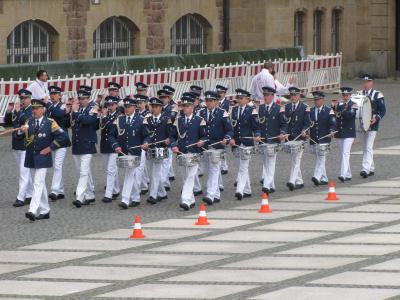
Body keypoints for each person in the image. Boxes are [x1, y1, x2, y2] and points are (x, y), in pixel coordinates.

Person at [21, 99, 68, 221]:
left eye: (37, 108)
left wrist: (50, 148)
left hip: (43, 157)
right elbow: (23, 139)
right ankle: (45, 210)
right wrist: (21, 132)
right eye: (33, 109)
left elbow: (63, 136)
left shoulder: (50, 122)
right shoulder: (28, 122)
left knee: (37, 183)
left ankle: (32, 210)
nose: (34, 111)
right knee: (39, 184)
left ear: (43, 109)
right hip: (31, 157)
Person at [110, 97, 149, 209]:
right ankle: (135, 198)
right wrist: (116, 145)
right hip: (124, 152)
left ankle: (125, 199)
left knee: (130, 175)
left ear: (134, 107)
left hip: (137, 152)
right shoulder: (119, 120)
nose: (126, 109)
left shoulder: (141, 120)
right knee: (131, 175)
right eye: (125, 107)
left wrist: (146, 142)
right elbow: (111, 135)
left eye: (129, 107)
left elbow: (147, 135)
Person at [171, 95, 206, 210]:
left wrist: (202, 141)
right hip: (182, 152)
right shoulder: (178, 121)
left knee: (191, 176)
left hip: (194, 152)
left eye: (187, 106)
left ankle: (185, 199)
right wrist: (174, 145)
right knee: (185, 176)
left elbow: (205, 135)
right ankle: (191, 200)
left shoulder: (199, 120)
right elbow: (173, 137)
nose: (184, 108)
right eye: (183, 106)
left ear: (192, 107)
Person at [198, 91, 233, 205]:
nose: (208, 103)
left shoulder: (222, 113)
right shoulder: (201, 112)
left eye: (211, 101)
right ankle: (216, 193)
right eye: (207, 101)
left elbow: (229, 129)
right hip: (206, 146)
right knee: (209, 170)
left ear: (216, 102)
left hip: (217, 146)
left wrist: (227, 138)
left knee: (214, 170)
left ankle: (210, 194)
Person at [4, 89, 33, 207]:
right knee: (25, 172)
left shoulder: (32, 110)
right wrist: (9, 112)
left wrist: (17, 113)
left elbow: (27, 123)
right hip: (16, 145)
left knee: (23, 172)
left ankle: (21, 197)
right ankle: (30, 194)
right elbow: (8, 124)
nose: (23, 100)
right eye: (21, 98)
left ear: (30, 98)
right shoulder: (19, 110)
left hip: (26, 145)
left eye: (25, 98)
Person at [230, 88, 260, 200]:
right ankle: (247, 190)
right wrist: (231, 138)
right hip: (236, 142)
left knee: (243, 167)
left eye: (241, 98)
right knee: (241, 167)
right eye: (238, 98)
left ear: (247, 99)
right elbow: (231, 127)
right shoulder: (233, 110)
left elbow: (256, 126)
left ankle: (240, 190)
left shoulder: (252, 110)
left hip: (247, 142)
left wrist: (257, 135)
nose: (239, 100)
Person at [70, 88, 98, 208]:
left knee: (83, 171)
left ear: (88, 98)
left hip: (87, 143)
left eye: (83, 99)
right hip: (77, 143)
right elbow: (69, 124)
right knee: (82, 171)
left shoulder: (93, 108)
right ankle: (90, 194)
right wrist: (69, 111)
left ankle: (80, 197)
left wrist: (76, 112)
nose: (81, 101)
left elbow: (88, 120)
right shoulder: (76, 109)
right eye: (80, 98)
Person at [258, 86, 287, 194]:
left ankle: (266, 185)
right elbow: (258, 124)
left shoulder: (279, 108)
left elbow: (284, 124)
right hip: (263, 140)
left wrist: (282, 133)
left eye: (267, 95)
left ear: (272, 96)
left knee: (271, 162)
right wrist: (257, 134)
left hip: (274, 140)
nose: (265, 97)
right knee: (265, 163)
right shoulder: (260, 108)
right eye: (264, 95)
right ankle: (272, 185)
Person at [45, 86, 72, 201]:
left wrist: (48, 104)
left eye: (55, 94)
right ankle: (60, 190)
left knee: (57, 165)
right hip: (52, 139)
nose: (53, 96)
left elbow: (59, 114)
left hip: (62, 140)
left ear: (60, 95)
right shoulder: (49, 107)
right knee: (56, 166)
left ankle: (54, 190)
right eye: (51, 94)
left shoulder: (62, 106)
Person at [144, 97, 171, 204]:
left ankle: (153, 195)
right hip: (151, 149)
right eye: (152, 107)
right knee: (154, 172)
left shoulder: (166, 119)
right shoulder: (148, 120)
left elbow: (171, 133)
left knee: (156, 173)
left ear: (160, 108)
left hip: (161, 149)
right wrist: (146, 142)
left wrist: (169, 140)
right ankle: (162, 193)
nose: (154, 109)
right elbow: (146, 133)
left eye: (156, 107)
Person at [283, 86, 311, 191]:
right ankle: (300, 181)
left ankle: (292, 181)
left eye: (295, 95)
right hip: (290, 137)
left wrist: (305, 130)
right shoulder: (287, 107)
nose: (293, 97)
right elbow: (285, 122)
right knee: (294, 160)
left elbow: (308, 122)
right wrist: (284, 133)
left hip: (300, 138)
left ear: (299, 95)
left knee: (296, 160)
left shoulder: (305, 107)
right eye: (291, 95)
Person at [359, 74, 386, 178]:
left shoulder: (378, 94)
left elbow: (383, 110)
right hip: (362, 124)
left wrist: (376, 118)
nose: (365, 84)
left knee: (369, 146)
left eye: (367, 82)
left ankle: (365, 169)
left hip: (373, 124)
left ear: (372, 83)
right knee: (365, 147)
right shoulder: (360, 94)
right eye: (364, 82)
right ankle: (371, 168)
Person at [309, 91, 336, 186]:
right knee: (318, 158)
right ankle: (324, 178)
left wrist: (332, 131)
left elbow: (333, 123)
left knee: (321, 158)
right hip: (314, 139)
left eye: (318, 100)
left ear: (322, 100)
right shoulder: (311, 111)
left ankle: (316, 176)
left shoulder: (329, 110)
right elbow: (308, 124)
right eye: (315, 100)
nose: (316, 101)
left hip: (324, 139)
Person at [99, 96, 121, 203]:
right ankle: (116, 190)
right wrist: (102, 116)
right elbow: (100, 127)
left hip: (114, 145)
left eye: (112, 105)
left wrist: (104, 117)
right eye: (108, 105)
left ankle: (108, 194)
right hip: (105, 145)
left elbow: (113, 128)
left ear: (116, 105)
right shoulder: (105, 116)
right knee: (108, 169)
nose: (110, 107)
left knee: (111, 170)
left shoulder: (119, 116)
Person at [334, 87, 357, 182]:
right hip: (340, 132)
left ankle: (343, 174)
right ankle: (348, 174)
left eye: (347, 95)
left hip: (349, 132)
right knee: (342, 153)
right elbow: (334, 115)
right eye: (343, 95)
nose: (345, 97)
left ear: (350, 95)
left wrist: (341, 106)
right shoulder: (339, 104)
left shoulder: (354, 105)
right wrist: (335, 106)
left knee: (345, 153)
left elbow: (349, 115)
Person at [159, 88, 178, 189]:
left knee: (166, 163)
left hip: (169, 139)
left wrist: (171, 139)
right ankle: (165, 184)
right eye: (160, 97)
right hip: (160, 140)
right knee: (162, 163)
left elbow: (173, 125)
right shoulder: (158, 108)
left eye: (164, 97)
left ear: (168, 98)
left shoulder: (172, 109)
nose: (162, 99)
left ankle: (161, 185)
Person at [216, 84, 230, 175]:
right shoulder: (217, 101)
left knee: (222, 147)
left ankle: (224, 166)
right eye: (218, 92)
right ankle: (223, 165)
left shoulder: (227, 103)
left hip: (225, 125)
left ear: (224, 93)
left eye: (221, 93)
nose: (219, 94)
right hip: (218, 126)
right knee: (220, 147)